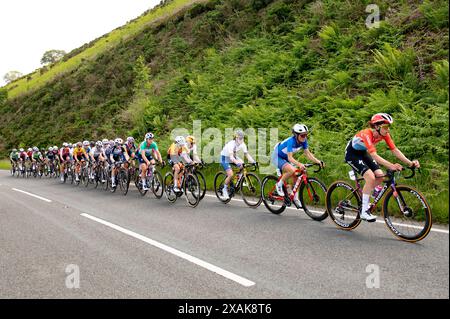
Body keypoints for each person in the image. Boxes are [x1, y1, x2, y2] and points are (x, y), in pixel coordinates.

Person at [345, 113, 420, 222]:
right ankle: (364, 212)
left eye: (388, 127)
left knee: (380, 176)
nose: (387, 130)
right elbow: (374, 155)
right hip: (352, 154)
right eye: (385, 127)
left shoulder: (385, 134)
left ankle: (365, 196)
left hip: (363, 153)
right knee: (370, 177)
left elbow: (395, 150)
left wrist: (410, 163)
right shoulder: (367, 134)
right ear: (376, 126)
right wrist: (391, 165)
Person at [271, 124, 324, 205]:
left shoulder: (304, 141)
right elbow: (290, 158)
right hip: (277, 156)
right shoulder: (291, 141)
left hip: (285, 157)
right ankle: (279, 184)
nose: (304, 137)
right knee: (291, 170)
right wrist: (299, 164)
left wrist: (318, 161)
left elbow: (308, 154)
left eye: (306, 134)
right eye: (302, 135)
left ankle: (295, 197)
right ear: (296, 135)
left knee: (297, 174)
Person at [219, 130, 256, 200]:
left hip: (233, 156)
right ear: (235, 138)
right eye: (239, 138)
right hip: (225, 157)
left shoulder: (243, 144)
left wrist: (253, 161)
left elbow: (247, 154)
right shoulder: (231, 144)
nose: (241, 140)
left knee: (242, 166)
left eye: (242, 138)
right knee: (230, 174)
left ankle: (237, 181)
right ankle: (224, 189)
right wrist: (237, 162)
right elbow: (231, 157)